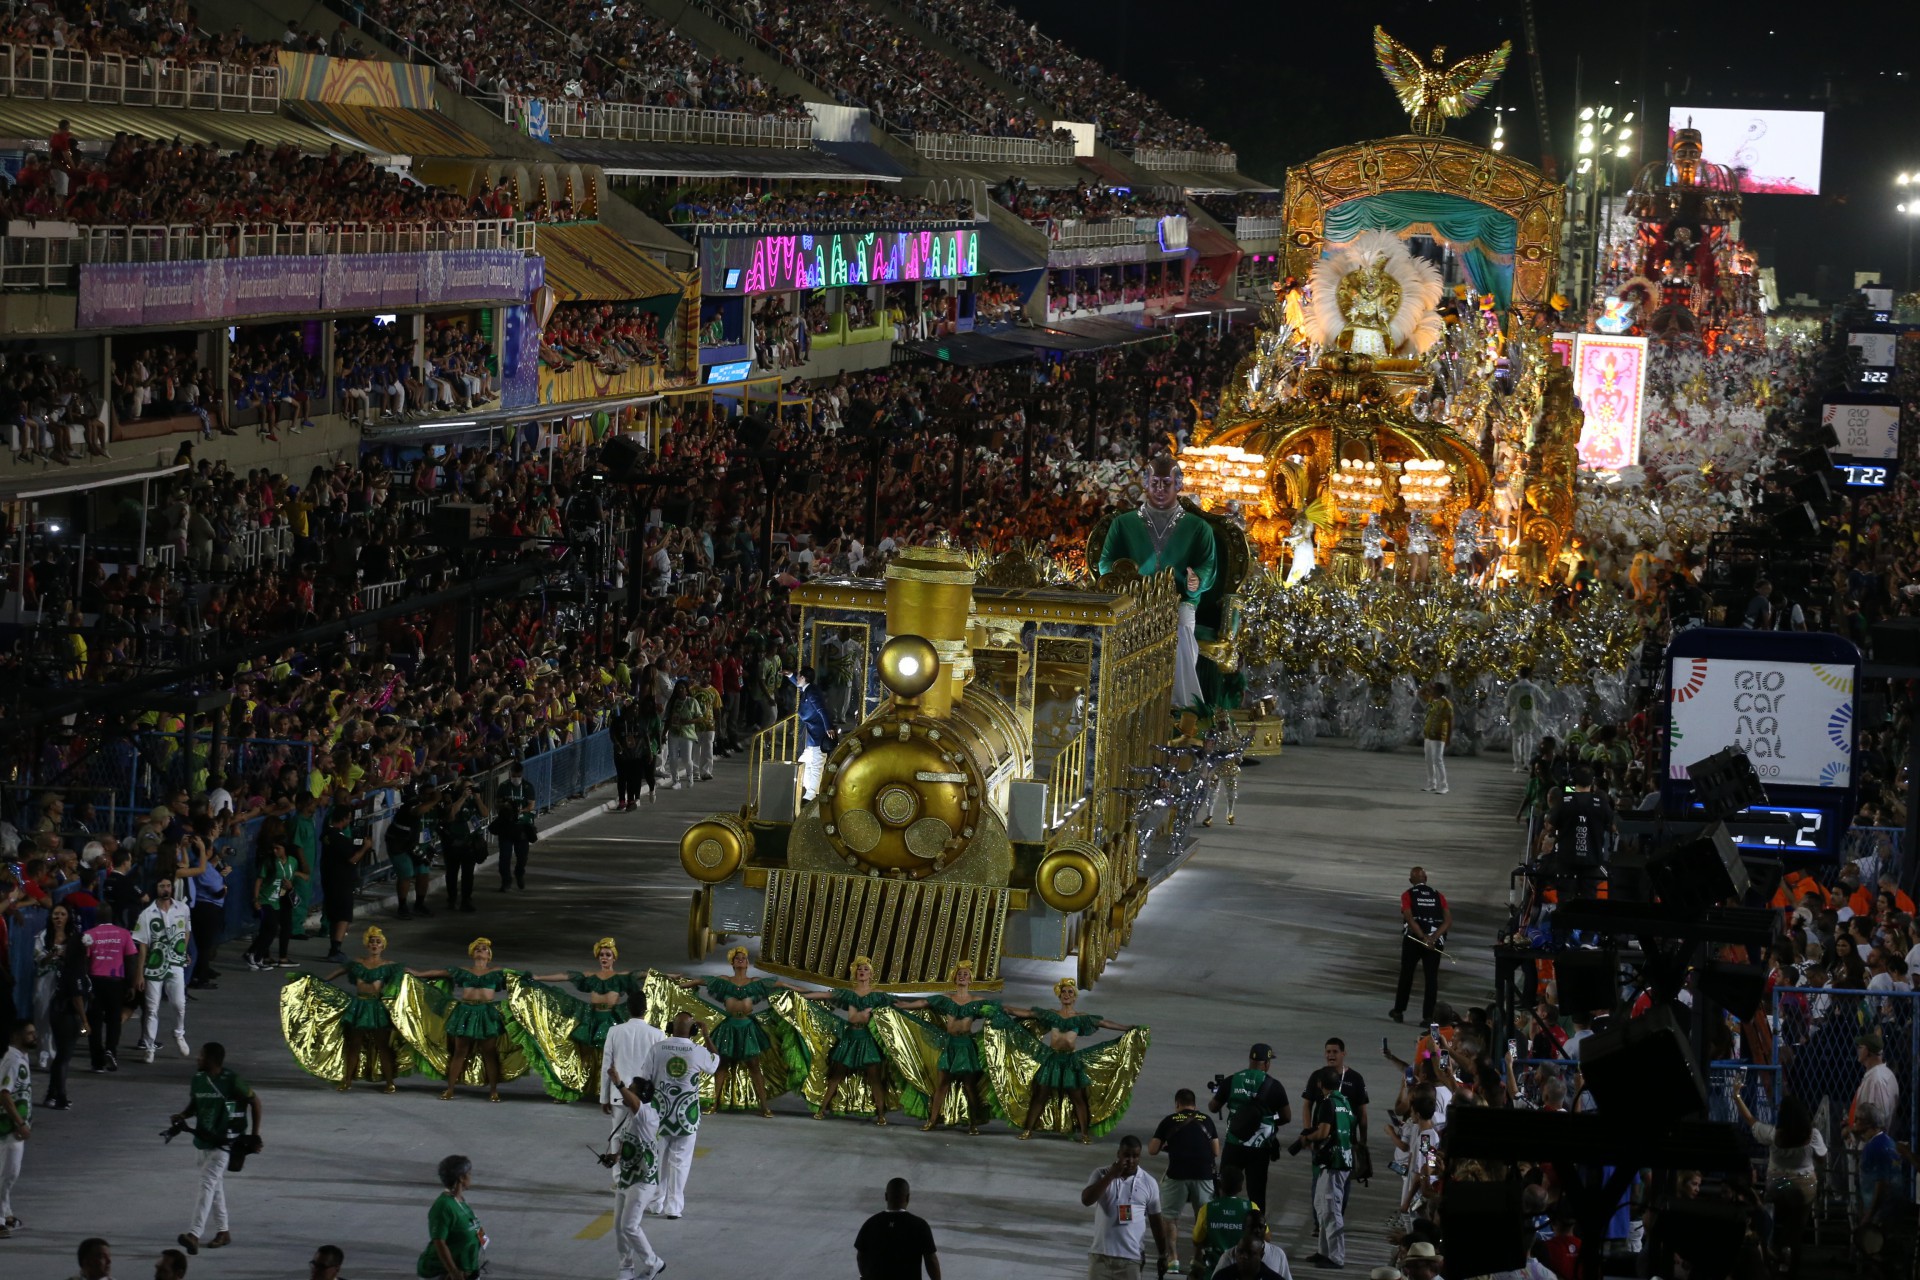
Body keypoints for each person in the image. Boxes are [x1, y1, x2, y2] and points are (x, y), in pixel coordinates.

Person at [1098, 453, 1218, 709]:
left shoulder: (1199, 528)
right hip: (1132, 601)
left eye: (1167, 483)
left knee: (1181, 633)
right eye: (1155, 483)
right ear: (1145, 484)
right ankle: (1126, 706)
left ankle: (1181, 708)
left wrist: (1197, 579)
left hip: (1179, 600)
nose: (1160, 489)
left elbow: (1207, 564)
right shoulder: (1123, 524)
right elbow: (1105, 562)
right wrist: (1120, 578)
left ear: (1179, 484)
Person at [1006, 977, 1139, 1143]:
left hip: (1070, 1061)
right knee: (1040, 1096)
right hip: (1052, 1060)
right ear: (1059, 996)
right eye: (1064, 992)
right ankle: (1028, 1130)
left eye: (1070, 992)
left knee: (1078, 1098)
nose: (1067, 995)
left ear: (1075, 997)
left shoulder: (1081, 1017)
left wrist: (1126, 1028)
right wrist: (1006, 1009)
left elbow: (1104, 1023)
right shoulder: (1052, 1014)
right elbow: (1028, 1013)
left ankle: (1084, 1134)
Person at [170, 1041, 262, 1255]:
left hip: (225, 1143)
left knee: (207, 1184)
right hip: (203, 1140)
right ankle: (223, 1231)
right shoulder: (198, 1079)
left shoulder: (232, 1080)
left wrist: (255, 1135)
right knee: (215, 1187)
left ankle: (194, 1234)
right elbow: (195, 1104)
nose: (198, 1058)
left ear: (212, 1060)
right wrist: (182, 1115)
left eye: (201, 1055)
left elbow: (255, 1102)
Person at [896, 961, 998, 1134]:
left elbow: (995, 1010)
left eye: (966, 974)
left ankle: (974, 1123)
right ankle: (932, 1121)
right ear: (955, 979)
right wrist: (903, 1005)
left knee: (969, 1086)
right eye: (960, 974)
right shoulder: (946, 999)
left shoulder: (977, 1001)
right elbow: (924, 1003)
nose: (962, 976)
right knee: (942, 1084)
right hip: (950, 1045)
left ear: (970, 980)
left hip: (966, 1047)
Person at [410, 937, 515, 1102]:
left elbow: (518, 978)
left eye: (484, 949)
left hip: (487, 1013)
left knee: (489, 1053)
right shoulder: (463, 970)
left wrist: (534, 979)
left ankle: (493, 1090)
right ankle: (450, 1089)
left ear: (489, 955)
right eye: (477, 948)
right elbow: (440, 972)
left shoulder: (497, 971)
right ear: (472, 953)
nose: (481, 950)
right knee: (460, 1052)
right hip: (466, 1012)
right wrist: (418, 974)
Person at [645, 1012, 720, 1219]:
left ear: (671, 1027)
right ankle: (674, 1208)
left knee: (657, 1160)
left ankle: (655, 1203)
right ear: (693, 1030)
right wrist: (707, 1036)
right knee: (680, 1162)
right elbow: (715, 1063)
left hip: (659, 1115)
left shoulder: (657, 1048)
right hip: (686, 1117)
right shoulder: (698, 1051)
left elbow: (645, 1078)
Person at [805, 956, 898, 1123]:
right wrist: (803, 996)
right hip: (850, 1038)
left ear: (871, 974)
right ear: (855, 973)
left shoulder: (878, 995)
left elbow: (895, 1006)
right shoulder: (849, 994)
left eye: (866, 969)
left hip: (868, 1040)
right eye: (859, 969)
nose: (862, 971)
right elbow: (825, 994)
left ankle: (881, 1115)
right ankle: (822, 1109)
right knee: (836, 1076)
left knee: (875, 1079)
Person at [1209, 1043, 1292, 1214]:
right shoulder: (1274, 1086)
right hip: (1260, 1149)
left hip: (1234, 1144)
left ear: (1250, 1060)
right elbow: (1286, 1117)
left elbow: (1213, 1107)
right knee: (1257, 1194)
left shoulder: (1232, 1080)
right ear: (1266, 1063)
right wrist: (1270, 1119)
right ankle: (1257, 1226)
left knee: (1225, 1188)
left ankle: (1221, 1220)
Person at [1083, 1134, 1175, 1280]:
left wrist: (1163, 1255)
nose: (1131, 1160)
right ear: (1118, 1154)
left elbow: (1156, 1222)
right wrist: (1111, 1176)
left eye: (1135, 1156)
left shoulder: (1148, 1182)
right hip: (1100, 1257)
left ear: (1139, 1157)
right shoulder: (1101, 1174)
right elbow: (1087, 1200)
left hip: (1131, 1259)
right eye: (1126, 1155)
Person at [321, 926, 401, 1093]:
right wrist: (322, 982)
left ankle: (389, 1082)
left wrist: (424, 977)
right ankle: (347, 1080)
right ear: (367, 945)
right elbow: (340, 971)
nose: (374, 944)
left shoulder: (389, 965)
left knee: (382, 1046)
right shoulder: (357, 963)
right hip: (358, 1006)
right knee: (354, 1045)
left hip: (376, 1008)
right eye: (372, 942)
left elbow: (408, 974)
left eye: (378, 942)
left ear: (383, 946)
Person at [602, 1065, 663, 1280]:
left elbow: (635, 1103)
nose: (627, 1091)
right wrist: (615, 1157)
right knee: (619, 1227)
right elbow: (628, 1142)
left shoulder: (646, 1113)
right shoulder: (631, 1116)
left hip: (643, 1180)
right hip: (627, 1178)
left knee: (629, 1226)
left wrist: (618, 1083)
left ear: (639, 1095)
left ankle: (654, 1263)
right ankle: (626, 1268)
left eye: (631, 1089)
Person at [1149, 1088, 1219, 1273]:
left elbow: (1152, 1150)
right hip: (1203, 1175)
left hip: (1177, 1174)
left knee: (1170, 1217)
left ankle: (1173, 1259)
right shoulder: (1207, 1120)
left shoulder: (1169, 1120)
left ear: (1177, 1104)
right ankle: (1198, 1259)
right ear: (1194, 1105)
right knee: (1202, 1218)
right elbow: (1216, 1151)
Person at [1298, 1067, 1354, 1269]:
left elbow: (1323, 1132)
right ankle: (1324, 1251)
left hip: (1333, 1163)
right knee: (1322, 1207)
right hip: (1340, 1160)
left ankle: (1336, 1257)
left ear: (1320, 1084)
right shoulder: (1344, 1102)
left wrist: (1306, 1138)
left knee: (1330, 1210)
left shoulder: (1328, 1103)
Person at [135, 876, 193, 1062]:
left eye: (168, 886)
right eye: (162, 886)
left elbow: (186, 931)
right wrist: (139, 973)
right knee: (152, 1008)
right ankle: (149, 1047)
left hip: (175, 963)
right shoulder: (146, 914)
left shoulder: (182, 909)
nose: (166, 889)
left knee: (179, 1004)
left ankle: (179, 1033)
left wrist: (183, 951)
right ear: (156, 889)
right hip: (154, 965)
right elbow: (143, 945)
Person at [82, 882, 137, 1072]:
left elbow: (84, 962)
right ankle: (111, 1051)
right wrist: (131, 985)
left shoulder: (88, 935)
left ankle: (97, 1061)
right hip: (116, 983)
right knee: (114, 1020)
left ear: (96, 917)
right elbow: (131, 960)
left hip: (95, 982)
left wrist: (85, 986)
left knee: (94, 1022)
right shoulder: (124, 934)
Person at [38, 907, 85, 1108]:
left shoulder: (74, 943)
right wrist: (85, 1023)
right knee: (61, 1052)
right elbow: (38, 961)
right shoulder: (43, 937)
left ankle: (53, 1093)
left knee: (62, 1053)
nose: (58, 917)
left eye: (63, 914)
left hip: (63, 1000)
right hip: (53, 996)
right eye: (55, 914)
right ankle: (59, 1094)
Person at [1390, 866, 1450, 1025]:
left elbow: (1410, 919)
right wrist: (1433, 938)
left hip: (1414, 940)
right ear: (1426, 879)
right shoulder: (1438, 895)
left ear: (1411, 881)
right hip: (1435, 942)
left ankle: (1399, 1011)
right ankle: (1428, 1016)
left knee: (1407, 974)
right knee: (1431, 978)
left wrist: (1423, 937)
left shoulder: (1407, 895)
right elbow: (1447, 921)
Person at [855, 1176, 941, 1280]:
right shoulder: (920, 1226)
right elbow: (931, 1260)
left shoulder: (870, 1224)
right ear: (907, 1198)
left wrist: (865, 1276)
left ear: (886, 1196)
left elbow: (860, 1256)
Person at [418, 1155, 485, 1280]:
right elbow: (439, 1241)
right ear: (461, 1178)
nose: (471, 1177)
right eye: (469, 1173)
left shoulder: (459, 1200)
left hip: (467, 1269)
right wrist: (454, 1272)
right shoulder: (443, 1206)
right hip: (443, 1274)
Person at [599, 987, 665, 1115]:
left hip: (619, 1095)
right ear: (646, 1008)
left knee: (619, 1128)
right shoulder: (658, 1035)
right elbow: (660, 1070)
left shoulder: (614, 1031)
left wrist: (604, 1098)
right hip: (645, 1097)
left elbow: (607, 1066)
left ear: (627, 1008)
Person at [319, 802, 368, 962]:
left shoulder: (326, 834)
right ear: (344, 818)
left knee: (334, 915)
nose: (350, 821)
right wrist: (365, 847)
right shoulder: (339, 838)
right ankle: (335, 950)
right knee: (343, 916)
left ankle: (333, 948)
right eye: (349, 818)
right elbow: (353, 859)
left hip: (329, 880)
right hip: (341, 882)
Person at [244, 836, 298, 972]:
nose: (274, 851)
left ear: (285, 849)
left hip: (277, 901)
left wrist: (290, 887)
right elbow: (259, 880)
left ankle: (257, 957)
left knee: (269, 931)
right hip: (265, 899)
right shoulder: (269, 862)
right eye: (273, 848)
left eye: (277, 848)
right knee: (271, 928)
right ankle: (252, 953)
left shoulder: (293, 862)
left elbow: (290, 879)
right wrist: (256, 899)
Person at [1192, 1165, 1256, 1277]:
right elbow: (1266, 1238)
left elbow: (1197, 1240)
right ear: (1240, 1187)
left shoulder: (1207, 1209)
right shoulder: (1252, 1207)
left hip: (1214, 1271)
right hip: (1242, 1271)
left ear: (1219, 1184)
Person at [0, 1023, 33, 1239]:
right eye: (29, 1034)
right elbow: (4, 1093)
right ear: (15, 1036)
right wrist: (20, 1123)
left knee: (7, 1174)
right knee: (7, 1174)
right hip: (8, 1128)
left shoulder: (21, 1058)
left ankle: (6, 1214)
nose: (34, 1037)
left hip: (13, 1128)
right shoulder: (12, 1060)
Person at [386, 784, 437, 921]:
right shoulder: (412, 803)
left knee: (423, 872)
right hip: (399, 843)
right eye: (428, 794)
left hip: (417, 844)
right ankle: (402, 907)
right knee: (406, 873)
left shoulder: (434, 808)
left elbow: (448, 817)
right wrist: (434, 800)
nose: (430, 797)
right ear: (421, 794)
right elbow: (417, 811)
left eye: (432, 794)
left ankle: (419, 905)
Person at [793, 666, 834, 803]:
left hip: (818, 734)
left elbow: (822, 710)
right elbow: (798, 685)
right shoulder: (808, 689)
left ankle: (811, 795)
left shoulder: (811, 692)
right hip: (813, 735)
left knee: (816, 764)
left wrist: (828, 728)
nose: (797, 678)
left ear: (803, 678)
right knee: (804, 762)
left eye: (798, 676)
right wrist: (790, 676)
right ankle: (810, 791)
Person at [493, 761, 536, 892]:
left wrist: (522, 810)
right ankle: (506, 881)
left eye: (518, 775)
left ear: (522, 774)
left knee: (522, 856)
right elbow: (496, 804)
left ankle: (519, 873)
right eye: (514, 775)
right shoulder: (503, 786)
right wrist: (505, 806)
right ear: (510, 774)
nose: (516, 778)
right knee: (504, 857)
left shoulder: (528, 787)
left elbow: (531, 805)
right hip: (506, 826)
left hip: (521, 826)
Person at [1213, 1212, 1292, 1278]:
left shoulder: (1278, 1254)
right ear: (1243, 1228)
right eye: (1252, 1226)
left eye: (1260, 1227)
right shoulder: (1228, 1257)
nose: (1257, 1230)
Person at [1505, 666, 1549, 771]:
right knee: (1528, 737)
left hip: (1516, 715)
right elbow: (1545, 700)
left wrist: (1508, 715)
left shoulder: (1514, 687)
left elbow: (1508, 703)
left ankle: (1517, 765)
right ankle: (1527, 763)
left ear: (1519, 674)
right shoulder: (1534, 687)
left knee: (1516, 739)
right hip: (1530, 715)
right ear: (1529, 675)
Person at [1420, 682, 1452, 795]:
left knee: (1437, 759)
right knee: (1428, 759)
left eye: (1433, 689)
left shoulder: (1445, 703)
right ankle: (1431, 783)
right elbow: (1420, 693)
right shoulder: (1432, 700)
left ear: (1439, 691)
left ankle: (1444, 786)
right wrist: (1426, 686)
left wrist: (1448, 737)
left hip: (1439, 735)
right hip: (1428, 734)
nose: (1431, 691)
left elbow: (1450, 720)